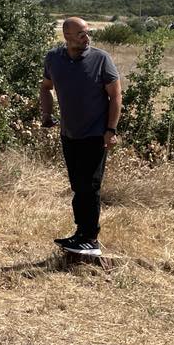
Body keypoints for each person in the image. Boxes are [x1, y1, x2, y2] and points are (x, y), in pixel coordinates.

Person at [40, 17, 122, 256]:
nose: (87, 37)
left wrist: (111, 130)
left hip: (95, 135)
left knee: (90, 186)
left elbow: (116, 97)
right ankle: (80, 234)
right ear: (67, 36)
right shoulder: (54, 58)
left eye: (87, 33)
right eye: (81, 34)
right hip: (69, 134)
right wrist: (46, 114)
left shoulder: (101, 59)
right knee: (78, 186)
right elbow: (45, 86)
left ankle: (91, 238)